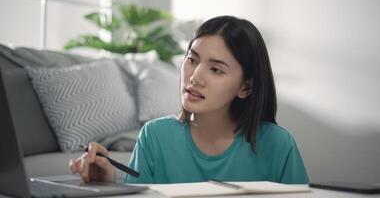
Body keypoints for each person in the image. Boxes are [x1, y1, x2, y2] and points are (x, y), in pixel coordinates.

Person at [69, 15, 309, 184]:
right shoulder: (154, 136)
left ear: (246, 88)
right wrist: (109, 185)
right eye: (192, 60)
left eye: (216, 69)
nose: (195, 77)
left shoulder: (278, 145)